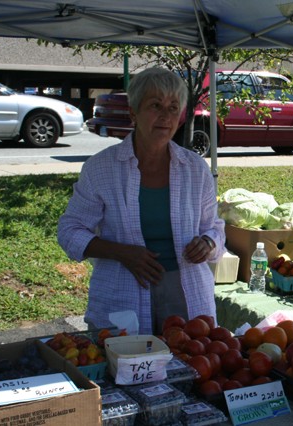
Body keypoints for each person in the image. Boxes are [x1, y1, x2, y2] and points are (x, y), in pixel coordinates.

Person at [58, 67, 225, 335]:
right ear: (133, 112)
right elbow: (70, 231)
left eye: (173, 108)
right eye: (155, 105)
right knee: (124, 369)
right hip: (123, 292)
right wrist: (123, 253)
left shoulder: (195, 168)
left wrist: (207, 243)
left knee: (191, 367)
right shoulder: (101, 168)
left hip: (187, 292)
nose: (165, 116)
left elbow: (215, 227)